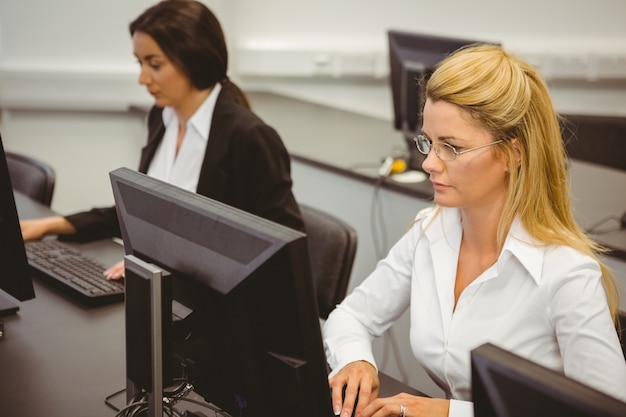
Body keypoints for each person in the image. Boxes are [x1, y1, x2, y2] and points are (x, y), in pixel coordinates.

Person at [323, 43, 626, 417]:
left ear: (514, 154)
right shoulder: (431, 232)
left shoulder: (566, 275)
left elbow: (605, 413)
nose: (430, 163)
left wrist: (450, 412)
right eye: (429, 143)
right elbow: (351, 316)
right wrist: (356, 361)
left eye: (451, 148)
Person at [20, 0, 304, 280]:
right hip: (165, 291)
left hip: (217, 310)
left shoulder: (248, 137)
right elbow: (143, 213)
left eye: (154, 64)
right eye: (140, 63)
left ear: (194, 58)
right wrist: (51, 225)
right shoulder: (161, 118)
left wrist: (169, 263)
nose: (143, 78)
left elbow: (278, 252)